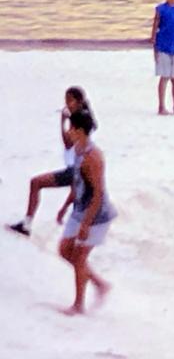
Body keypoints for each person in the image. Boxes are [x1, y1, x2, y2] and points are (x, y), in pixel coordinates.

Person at [6, 87, 95, 237]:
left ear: (78, 101)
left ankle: (27, 224)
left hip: (74, 168)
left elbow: (68, 143)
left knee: (36, 182)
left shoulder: (78, 119)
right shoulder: (84, 117)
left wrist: (62, 122)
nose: (67, 103)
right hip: (79, 168)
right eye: (66, 100)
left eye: (70, 100)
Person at [57, 109, 116, 315]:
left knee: (80, 258)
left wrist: (85, 224)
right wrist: (65, 207)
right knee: (64, 250)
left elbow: (98, 193)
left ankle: (78, 305)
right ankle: (100, 285)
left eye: (71, 128)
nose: (69, 132)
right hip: (80, 208)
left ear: (80, 130)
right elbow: (78, 183)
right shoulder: (77, 149)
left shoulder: (93, 157)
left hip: (96, 214)